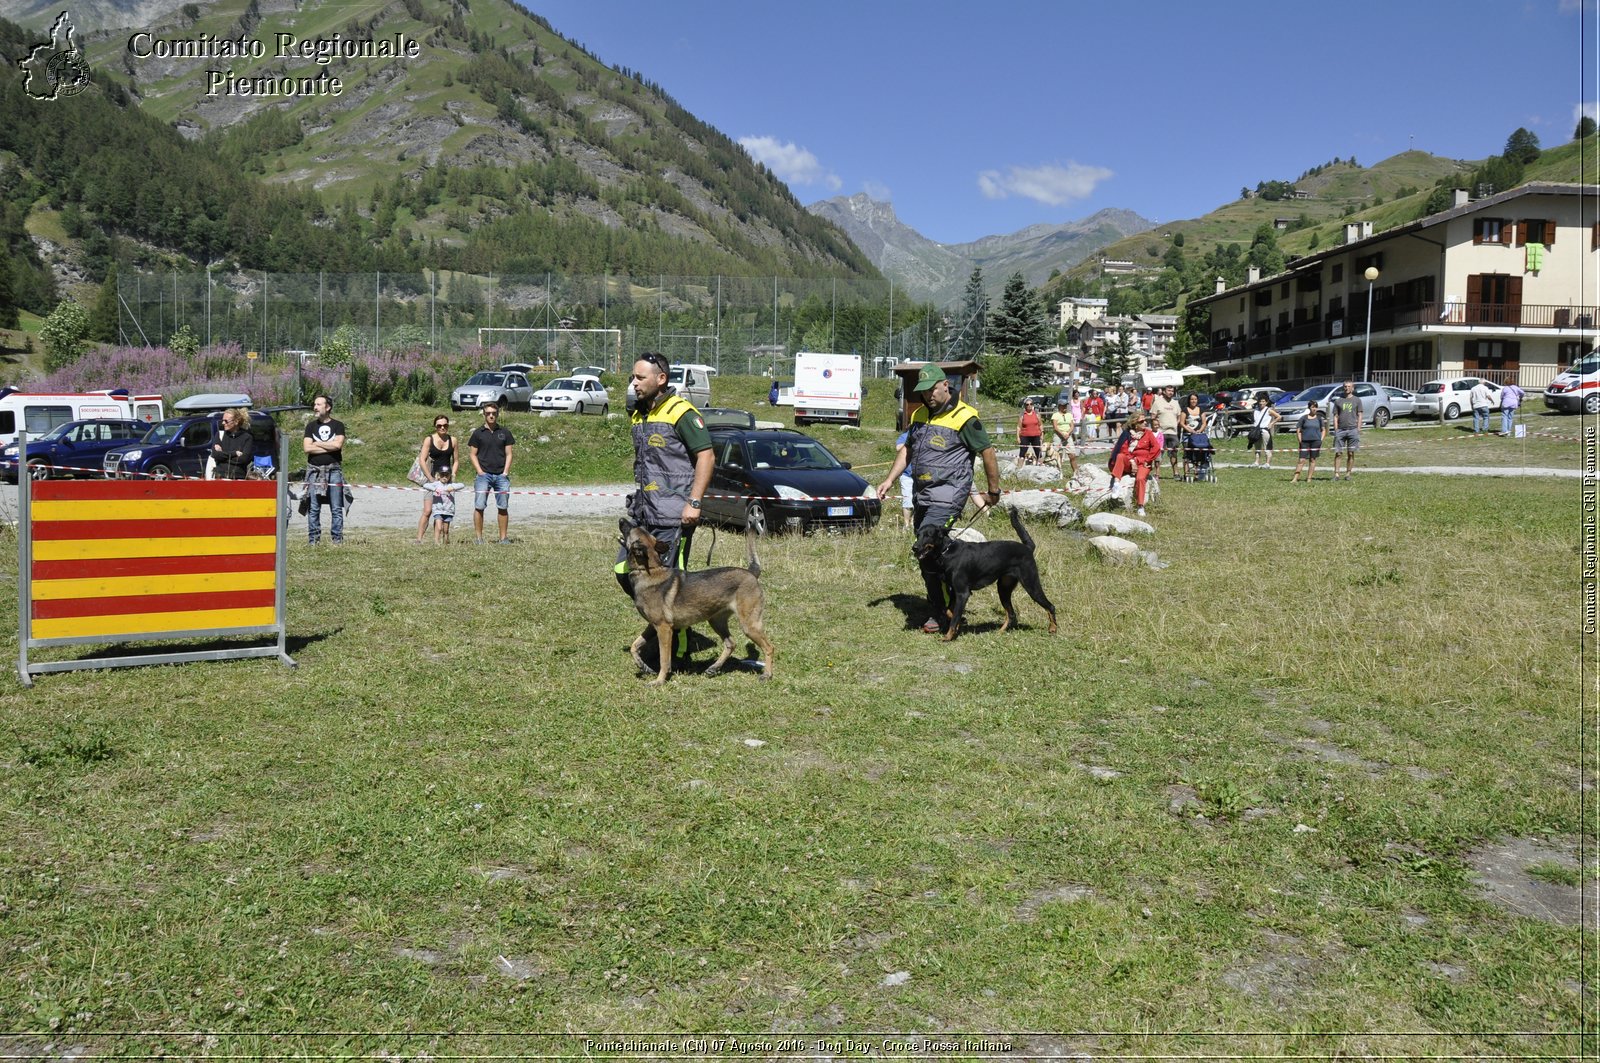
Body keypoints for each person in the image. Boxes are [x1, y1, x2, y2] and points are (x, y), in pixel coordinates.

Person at [876, 364, 1000, 636]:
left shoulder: (965, 417)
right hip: (923, 495)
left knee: (928, 550)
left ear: (945, 385)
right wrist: (889, 480)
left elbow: (987, 452)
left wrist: (993, 490)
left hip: (948, 495)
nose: (928, 396)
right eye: (923, 392)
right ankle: (947, 603)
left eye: (932, 389)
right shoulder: (919, 414)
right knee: (928, 554)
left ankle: (946, 611)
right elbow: (907, 452)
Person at [615, 351, 714, 658]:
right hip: (644, 514)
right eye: (632, 377)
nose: (633, 383)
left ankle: (679, 652)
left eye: (639, 377)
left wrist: (694, 503)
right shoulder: (639, 413)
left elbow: (707, 456)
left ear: (661, 379)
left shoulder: (681, 412)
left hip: (674, 517)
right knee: (623, 569)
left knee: (676, 586)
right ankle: (659, 624)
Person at [469, 403, 515, 544]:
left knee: (503, 507)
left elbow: (509, 454)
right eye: (488, 413)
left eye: (494, 413)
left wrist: (505, 472)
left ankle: (503, 538)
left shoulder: (505, 432)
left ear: (497, 414)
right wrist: (480, 471)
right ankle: (478, 538)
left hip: (501, 476)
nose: (491, 415)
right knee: (479, 506)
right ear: (484, 414)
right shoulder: (478, 433)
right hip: (484, 476)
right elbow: (472, 454)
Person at [303, 394, 346, 544]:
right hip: (314, 471)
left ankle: (337, 540)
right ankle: (313, 540)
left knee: (336, 507)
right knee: (314, 507)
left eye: (318, 404)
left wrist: (317, 443)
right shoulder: (311, 426)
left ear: (327, 407)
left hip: (334, 470)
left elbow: (338, 445)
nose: (315, 407)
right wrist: (329, 446)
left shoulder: (338, 425)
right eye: (314, 404)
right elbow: (307, 448)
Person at [414, 414, 459, 544]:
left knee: (444, 510)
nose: (442, 427)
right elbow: (422, 460)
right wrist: (430, 478)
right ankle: (419, 539)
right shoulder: (429, 439)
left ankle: (440, 539)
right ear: (435, 426)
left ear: (448, 426)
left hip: (447, 481)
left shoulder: (453, 440)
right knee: (428, 510)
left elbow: (456, 460)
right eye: (439, 425)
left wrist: (453, 475)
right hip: (432, 480)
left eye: (445, 425)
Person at [1109, 411, 1160, 518]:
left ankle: (1140, 506)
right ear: (1135, 424)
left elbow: (1156, 448)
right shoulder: (1128, 434)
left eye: (1145, 420)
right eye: (1142, 421)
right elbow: (1123, 449)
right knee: (1120, 456)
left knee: (1140, 479)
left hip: (1143, 463)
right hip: (1131, 461)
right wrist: (1131, 461)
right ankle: (1116, 485)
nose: (1145, 423)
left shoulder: (1148, 433)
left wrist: (1148, 460)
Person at [1328, 381, 1362, 481]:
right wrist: (1336, 429)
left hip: (1352, 430)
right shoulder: (1338, 401)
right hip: (1341, 430)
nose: (1347, 388)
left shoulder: (1357, 400)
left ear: (1352, 388)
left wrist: (1358, 428)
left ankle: (1348, 474)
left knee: (1351, 453)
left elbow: (1360, 414)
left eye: (1349, 386)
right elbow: (1335, 416)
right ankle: (1336, 474)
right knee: (1338, 453)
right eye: (1345, 386)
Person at [212, 407, 254, 480]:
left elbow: (243, 459)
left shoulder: (247, 437)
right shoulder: (219, 434)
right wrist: (234, 453)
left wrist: (222, 455)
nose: (223, 423)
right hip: (220, 477)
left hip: (239, 477)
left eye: (226, 421)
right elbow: (215, 455)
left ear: (236, 422)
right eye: (222, 420)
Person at [1150, 384, 1182, 481]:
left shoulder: (1176, 403)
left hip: (1173, 432)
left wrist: (1175, 424)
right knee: (1158, 454)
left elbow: (1179, 416)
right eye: (1169, 390)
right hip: (1161, 432)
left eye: (1172, 391)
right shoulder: (1157, 402)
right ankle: (1157, 474)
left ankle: (1176, 473)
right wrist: (1156, 428)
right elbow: (1153, 417)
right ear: (1164, 391)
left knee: (1174, 453)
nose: (1171, 392)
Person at [1291, 400, 1324, 483]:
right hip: (1305, 442)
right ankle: (1295, 478)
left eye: (1316, 407)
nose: (1314, 409)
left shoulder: (1319, 419)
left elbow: (1323, 430)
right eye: (1313, 407)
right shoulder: (1304, 418)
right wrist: (1300, 440)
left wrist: (1321, 439)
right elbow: (1298, 430)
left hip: (1316, 442)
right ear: (1309, 408)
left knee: (1313, 460)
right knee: (1301, 460)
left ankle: (1309, 478)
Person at [1178, 392, 1209, 480]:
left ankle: (1196, 474)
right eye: (1192, 399)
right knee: (1187, 454)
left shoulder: (1201, 410)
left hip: (1198, 435)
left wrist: (1200, 430)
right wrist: (1189, 430)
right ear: (1189, 400)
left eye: (1195, 399)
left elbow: (1204, 423)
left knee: (1197, 454)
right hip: (1187, 435)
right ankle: (1186, 474)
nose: (1193, 401)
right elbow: (1181, 423)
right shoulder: (1185, 410)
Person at [1248, 393, 1281, 468]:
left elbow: (1279, 417)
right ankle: (1256, 462)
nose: (1261, 403)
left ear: (1266, 402)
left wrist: (1272, 423)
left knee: (1267, 447)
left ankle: (1267, 463)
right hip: (1256, 431)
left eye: (1263, 401)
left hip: (1265, 430)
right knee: (1257, 447)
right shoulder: (1255, 410)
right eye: (1260, 401)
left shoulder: (1268, 410)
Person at [1049, 396, 1079, 474]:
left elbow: (1072, 425)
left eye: (1066, 405)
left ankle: (1076, 472)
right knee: (1058, 454)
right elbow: (1055, 427)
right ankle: (1057, 472)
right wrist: (1062, 434)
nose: (1065, 407)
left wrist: (1068, 433)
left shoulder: (1069, 415)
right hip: (1058, 435)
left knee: (1072, 454)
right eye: (1063, 405)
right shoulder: (1055, 415)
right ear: (1059, 406)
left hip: (1067, 435)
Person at [894, 429, 915, 530]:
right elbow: (898, 448)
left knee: (919, 500)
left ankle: (914, 522)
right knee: (907, 500)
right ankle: (906, 524)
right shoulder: (905, 435)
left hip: (920, 475)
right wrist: (910, 441)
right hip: (907, 475)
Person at [1016, 400, 1042, 465]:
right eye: (1027, 404)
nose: (1029, 405)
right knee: (1022, 453)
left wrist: (1042, 434)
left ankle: (1041, 468)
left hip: (1036, 436)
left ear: (1033, 405)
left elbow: (1040, 425)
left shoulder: (1036, 414)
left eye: (1031, 404)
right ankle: (1019, 468)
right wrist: (1018, 437)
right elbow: (1018, 427)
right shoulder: (1022, 415)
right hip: (1025, 436)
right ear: (1025, 406)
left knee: (1038, 453)